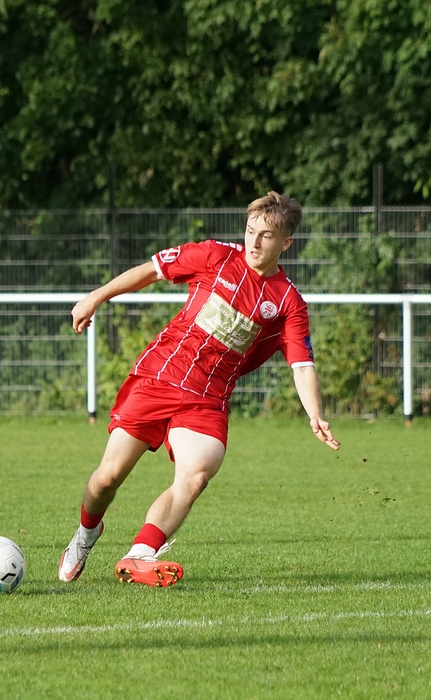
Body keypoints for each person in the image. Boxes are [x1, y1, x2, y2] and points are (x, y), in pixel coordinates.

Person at [58, 192, 340, 588]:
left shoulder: (288, 301)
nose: (255, 242)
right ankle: (86, 535)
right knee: (106, 479)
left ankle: (140, 554)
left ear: (286, 243)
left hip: (207, 400)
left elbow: (302, 363)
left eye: (266, 236)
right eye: (251, 231)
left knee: (195, 475)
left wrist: (314, 413)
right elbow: (152, 270)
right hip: (159, 378)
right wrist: (96, 296)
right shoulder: (215, 256)